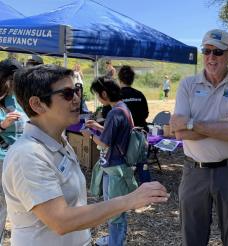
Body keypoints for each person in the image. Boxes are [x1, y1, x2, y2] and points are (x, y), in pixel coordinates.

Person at [2, 64, 169, 246]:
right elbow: (62, 221)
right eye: (67, 94)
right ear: (37, 104)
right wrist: (130, 199)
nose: (76, 99)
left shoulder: (60, 143)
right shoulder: (27, 155)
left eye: (77, 90)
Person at [170, 29, 228, 246]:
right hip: (194, 172)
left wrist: (192, 123)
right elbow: (179, 132)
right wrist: (224, 125)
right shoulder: (188, 85)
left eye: (217, 52)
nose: (211, 57)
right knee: (192, 237)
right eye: (206, 51)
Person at [82, 76, 144, 245]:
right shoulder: (123, 108)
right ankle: (116, 239)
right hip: (122, 165)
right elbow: (118, 133)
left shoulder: (114, 112)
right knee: (119, 207)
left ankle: (115, 242)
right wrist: (99, 127)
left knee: (114, 211)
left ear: (104, 93)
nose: (97, 98)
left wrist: (90, 135)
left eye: (97, 94)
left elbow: (104, 143)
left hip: (114, 167)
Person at [0, 58, 28, 245]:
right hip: (2, 159)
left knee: (24, 204)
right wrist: (3, 125)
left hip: (23, 158)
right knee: (2, 205)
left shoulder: (20, 96)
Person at [118, 65, 150, 184]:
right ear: (132, 79)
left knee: (123, 163)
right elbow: (146, 114)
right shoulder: (140, 94)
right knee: (143, 163)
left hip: (124, 136)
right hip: (141, 133)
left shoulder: (117, 96)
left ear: (120, 79)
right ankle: (147, 189)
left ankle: (126, 189)